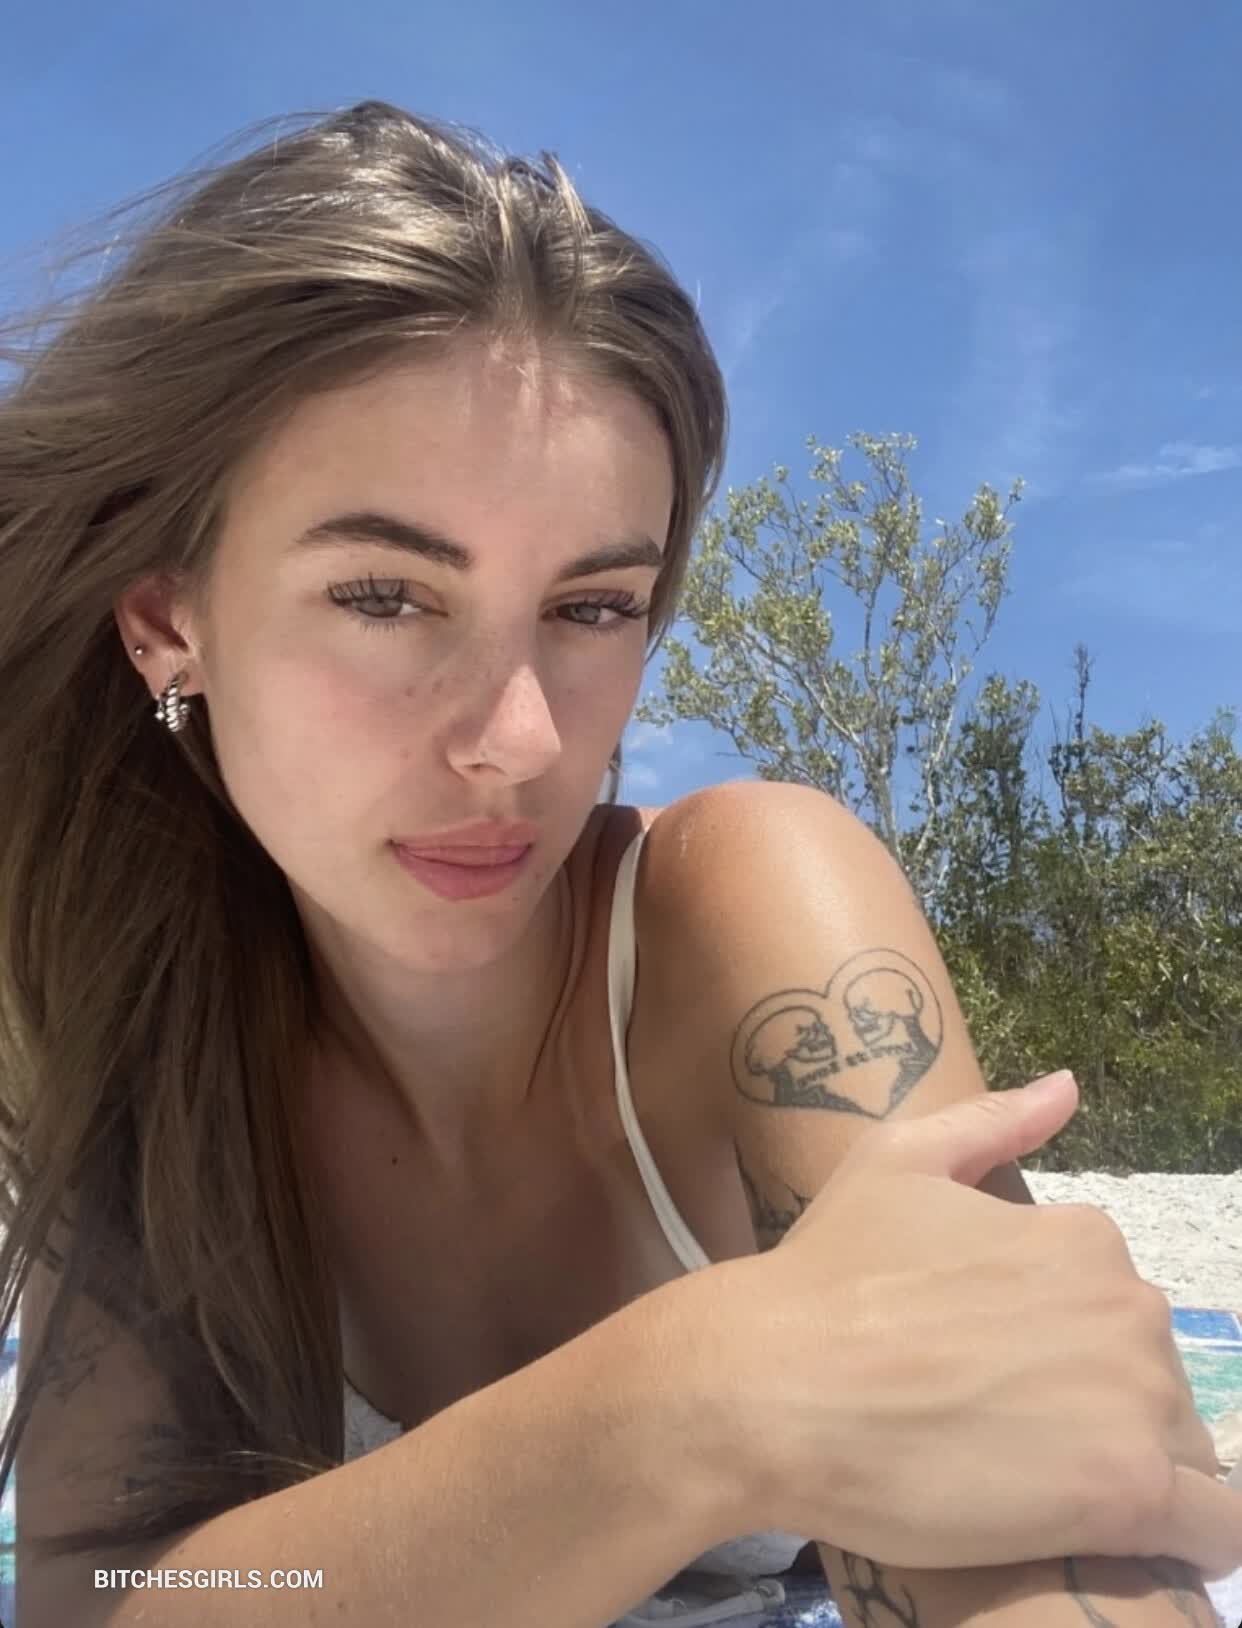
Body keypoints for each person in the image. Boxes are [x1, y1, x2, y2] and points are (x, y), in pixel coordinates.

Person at [0, 100, 1235, 1628]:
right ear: (165, 627)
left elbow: (1020, 1529)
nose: (517, 741)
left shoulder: (739, 901)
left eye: (592, 608)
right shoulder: (150, 1029)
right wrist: (689, 1405)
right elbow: (96, 1593)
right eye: (383, 595)